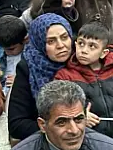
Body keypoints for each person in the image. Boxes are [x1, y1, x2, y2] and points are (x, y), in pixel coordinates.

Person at [54, 22, 113, 140]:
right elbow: (61, 106)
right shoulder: (65, 75)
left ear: (104, 53)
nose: (83, 50)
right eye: (81, 44)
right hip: (90, 137)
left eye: (92, 46)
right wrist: (80, 117)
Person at [8, 13, 74, 142]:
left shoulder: (82, 59)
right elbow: (17, 124)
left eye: (64, 37)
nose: (61, 45)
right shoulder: (28, 67)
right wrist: (55, 131)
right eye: (51, 41)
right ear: (40, 43)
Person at [12, 80, 113, 150]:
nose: (74, 131)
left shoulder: (108, 147)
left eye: (78, 119)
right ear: (42, 125)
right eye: (62, 122)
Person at [0, 15, 26, 94]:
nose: (6, 52)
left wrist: (19, 82)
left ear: (25, 41)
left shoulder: (30, 56)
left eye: (11, 49)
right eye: (4, 48)